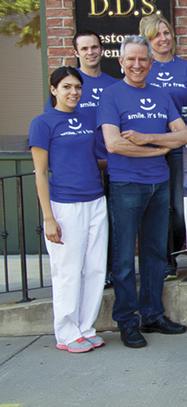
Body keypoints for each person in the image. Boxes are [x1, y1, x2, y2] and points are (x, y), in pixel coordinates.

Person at [98, 35, 187, 348]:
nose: (137, 65)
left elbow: (184, 135)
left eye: (143, 60)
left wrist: (145, 138)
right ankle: (127, 321)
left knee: (154, 254)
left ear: (151, 63)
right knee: (124, 258)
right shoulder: (111, 95)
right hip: (125, 184)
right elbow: (114, 144)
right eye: (131, 59)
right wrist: (158, 148)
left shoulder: (162, 95)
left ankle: (153, 315)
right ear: (121, 62)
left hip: (158, 184)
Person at [30, 67, 108, 353]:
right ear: (53, 90)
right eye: (66, 87)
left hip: (95, 200)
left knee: (95, 268)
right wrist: (49, 217)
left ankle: (85, 328)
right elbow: (39, 173)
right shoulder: (43, 123)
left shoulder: (86, 118)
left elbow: (97, 158)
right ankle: (65, 332)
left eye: (77, 87)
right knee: (67, 270)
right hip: (65, 205)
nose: (73, 92)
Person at [46, 31, 118, 286]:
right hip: (81, 175)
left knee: (107, 227)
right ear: (76, 52)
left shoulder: (113, 84)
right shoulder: (69, 85)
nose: (91, 52)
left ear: (101, 49)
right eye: (84, 48)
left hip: (112, 166)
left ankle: (107, 272)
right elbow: (54, 132)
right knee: (78, 238)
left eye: (95, 47)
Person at [140, 14, 187, 281]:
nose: (163, 39)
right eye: (156, 35)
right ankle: (166, 263)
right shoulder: (143, 68)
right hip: (148, 148)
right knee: (156, 206)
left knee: (177, 208)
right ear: (147, 39)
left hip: (177, 147)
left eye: (166, 33)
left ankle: (178, 248)